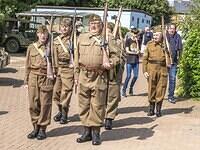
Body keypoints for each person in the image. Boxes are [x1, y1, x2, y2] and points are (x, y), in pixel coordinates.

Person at [74, 14, 120, 145]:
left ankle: (95, 133)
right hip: (83, 75)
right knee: (84, 105)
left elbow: (117, 56)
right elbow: (76, 58)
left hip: (99, 76)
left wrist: (110, 63)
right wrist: (76, 75)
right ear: (88, 25)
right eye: (91, 24)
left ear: (101, 25)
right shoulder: (82, 37)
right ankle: (86, 132)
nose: (94, 26)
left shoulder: (108, 38)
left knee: (97, 105)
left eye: (97, 23)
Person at [24, 25, 54, 140]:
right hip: (33, 77)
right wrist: (26, 80)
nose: (43, 35)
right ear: (37, 34)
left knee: (45, 104)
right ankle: (35, 127)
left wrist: (53, 75)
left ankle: (42, 129)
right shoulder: (32, 47)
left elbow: (55, 63)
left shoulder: (51, 47)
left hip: (46, 77)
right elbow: (27, 65)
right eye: (41, 33)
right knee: (33, 104)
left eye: (45, 33)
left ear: (48, 35)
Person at [143, 26, 169, 117]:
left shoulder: (166, 45)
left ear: (162, 35)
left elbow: (171, 58)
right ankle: (151, 109)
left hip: (162, 69)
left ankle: (158, 110)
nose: (155, 37)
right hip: (151, 69)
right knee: (151, 89)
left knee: (161, 89)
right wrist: (144, 70)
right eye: (154, 35)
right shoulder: (149, 44)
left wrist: (167, 49)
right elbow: (145, 59)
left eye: (157, 35)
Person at [52, 18, 74, 124]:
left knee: (66, 92)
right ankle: (60, 110)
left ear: (70, 28)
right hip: (58, 68)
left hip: (68, 68)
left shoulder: (74, 39)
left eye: (67, 26)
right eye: (62, 26)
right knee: (56, 92)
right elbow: (53, 55)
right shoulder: (56, 40)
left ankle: (64, 114)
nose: (64, 28)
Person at [104, 22, 125, 130]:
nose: (107, 33)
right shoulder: (100, 41)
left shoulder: (119, 42)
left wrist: (114, 62)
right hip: (102, 73)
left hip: (114, 73)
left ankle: (109, 118)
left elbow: (122, 57)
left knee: (112, 96)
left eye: (108, 31)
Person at [166, 23, 183, 104]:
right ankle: (158, 95)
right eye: (170, 28)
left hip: (174, 62)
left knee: (172, 79)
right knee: (161, 79)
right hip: (164, 62)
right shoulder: (164, 36)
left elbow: (180, 49)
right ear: (168, 29)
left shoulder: (178, 36)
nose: (172, 30)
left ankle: (171, 96)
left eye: (173, 28)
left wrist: (180, 60)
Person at [122, 30, 140, 97]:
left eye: (136, 34)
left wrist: (137, 42)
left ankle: (131, 88)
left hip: (136, 61)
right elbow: (127, 51)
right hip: (129, 60)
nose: (135, 35)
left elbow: (138, 50)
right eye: (134, 33)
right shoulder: (128, 40)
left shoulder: (138, 40)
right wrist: (135, 53)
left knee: (135, 76)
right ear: (131, 33)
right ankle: (124, 90)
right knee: (128, 76)